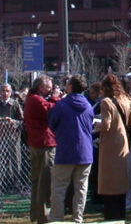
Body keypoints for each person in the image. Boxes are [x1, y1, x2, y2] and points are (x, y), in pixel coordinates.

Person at [47, 75, 94, 224]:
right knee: (81, 188)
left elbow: (52, 123)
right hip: (85, 152)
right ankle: (77, 218)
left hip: (66, 151)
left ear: (71, 87)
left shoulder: (61, 105)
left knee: (59, 188)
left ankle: (56, 218)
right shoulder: (87, 105)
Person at [97, 73, 131, 220]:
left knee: (109, 182)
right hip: (123, 141)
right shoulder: (126, 99)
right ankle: (121, 215)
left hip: (110, 145)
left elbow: (105, 125)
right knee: (121, 180)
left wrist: (95, 125)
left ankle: (111, 216)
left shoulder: (106, 102)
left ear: (105, 87)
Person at [24, 76, 59, 224]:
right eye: (48, 87)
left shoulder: (32, 98)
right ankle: (43, 215)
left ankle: (37, 213)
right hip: (43, 144)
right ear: (40, 87)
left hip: (37, 143)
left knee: (38, 180)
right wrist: (56, 98)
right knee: (45, 180)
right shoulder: (36, 100)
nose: (51, 90)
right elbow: (50, 110)